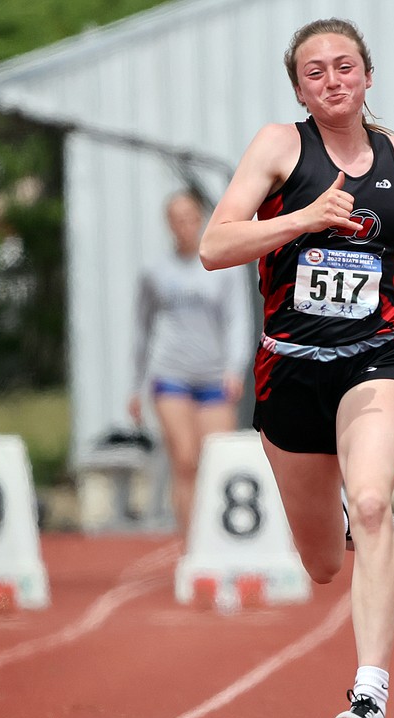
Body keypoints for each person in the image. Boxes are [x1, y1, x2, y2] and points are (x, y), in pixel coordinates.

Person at [198, 18, 394, 718]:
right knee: (324, 562)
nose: (331, 79)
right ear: (299, 87)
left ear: (367, 76)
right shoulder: (278, 147)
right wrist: (300, 218)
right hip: (288, 368)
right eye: (315, 71)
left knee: (378, 500)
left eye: (344, 66)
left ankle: (370, 690)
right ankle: (358, 538)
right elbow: (214, 244)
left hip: (374, 359)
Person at [128, 190, 251, 536]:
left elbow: (236, 320)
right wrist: (136, 386)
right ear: (168, 224)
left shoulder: (222, 265)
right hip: (171, 374)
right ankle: (191, 543)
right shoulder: (154, 272)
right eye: (176, 219)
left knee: (217, 460)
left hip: (213, 374)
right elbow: (142, 330)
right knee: (184, 460)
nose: (183, 225)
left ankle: (221, 538)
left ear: (200, 220)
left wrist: (234, 368)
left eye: (189, 218)